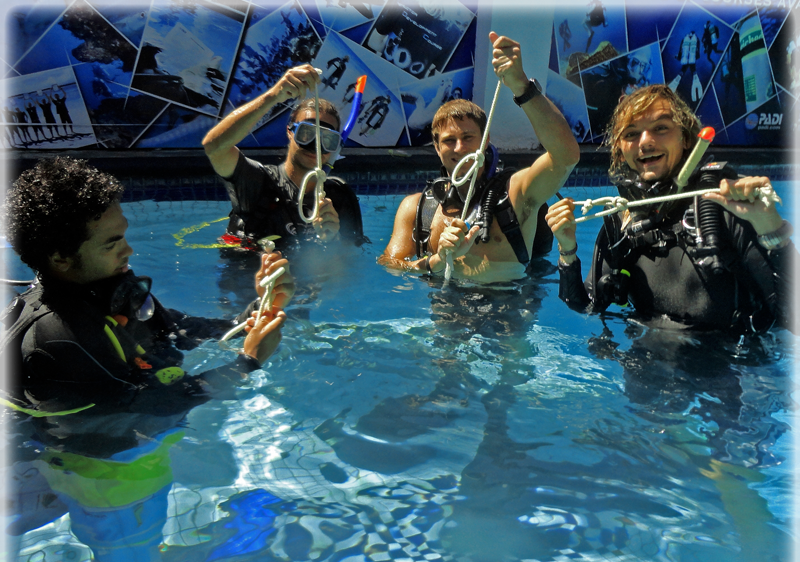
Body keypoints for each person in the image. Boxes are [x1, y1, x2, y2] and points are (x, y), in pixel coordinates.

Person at [1, 157, 293, 417]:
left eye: (123, 235)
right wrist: (247, 362)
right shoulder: (58, 337)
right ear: (61, 259)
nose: (128, 251)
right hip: (85, 464)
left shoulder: (111, 286)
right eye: (112, 243)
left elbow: (184, 331)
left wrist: (263, 306)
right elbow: (149, 407)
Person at [546, 84, 796, 332]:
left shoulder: (723, 206)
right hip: (644, 364)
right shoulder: (623, 221)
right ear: (620, 151)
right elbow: (588, 307)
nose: (645, 142)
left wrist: (769, 226)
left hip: (725, 366)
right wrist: (567, 250)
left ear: (686, 138)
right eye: (631, 134)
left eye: (660, 128)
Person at [378, 32, 580, 284]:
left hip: (504, 312)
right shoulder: (417, 208)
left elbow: (565, 157)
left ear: (485, 143)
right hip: (445, 315)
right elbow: (390, 264)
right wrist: (437, 261)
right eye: (449, 141)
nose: (460, 148)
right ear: (437, 148)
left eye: (468, 137)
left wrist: (521, 86)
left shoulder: (516, 193)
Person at [202, 64, 368, 252]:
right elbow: (215, 147)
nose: (315, 145)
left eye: (327, 139)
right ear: (290, 132)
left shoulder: (339, 197)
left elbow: (353, 267)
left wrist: (334, 240)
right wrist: (274, 95)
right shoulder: (258, 183)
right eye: (306, 134)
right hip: (251, 278)